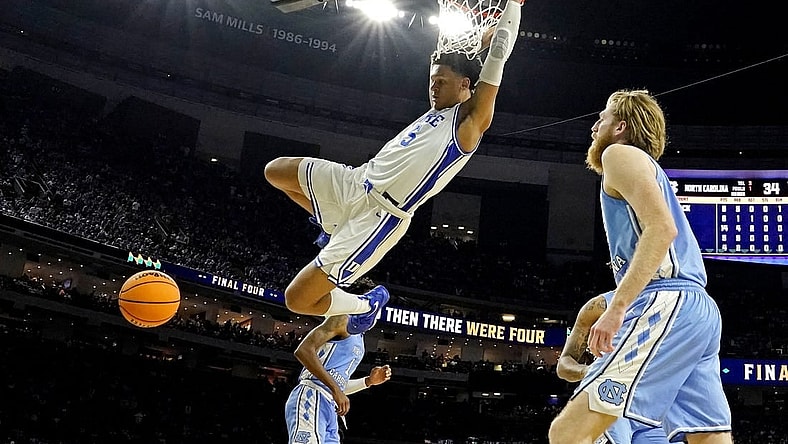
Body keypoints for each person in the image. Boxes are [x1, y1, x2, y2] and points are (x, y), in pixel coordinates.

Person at [264, 0, 525, 334]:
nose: (433, 87)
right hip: (355, 181)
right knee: (275, 170)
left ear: (465, 85)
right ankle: (330, 223)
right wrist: (476, 40)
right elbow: (457, 53)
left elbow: (500, 53)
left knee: (297, 299)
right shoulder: (435, 110)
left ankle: (364, 305)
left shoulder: (470, 124)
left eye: (441, 82)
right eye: (432, 81)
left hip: (381, 216)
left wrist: (513, 8)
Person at [548, 89, 733, 444]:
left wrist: (618, 308)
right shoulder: (642, 169)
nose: (594, 125)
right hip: (699, 313)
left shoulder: (619, 154)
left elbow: (662, 228)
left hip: (667, 299)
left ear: (620, 127)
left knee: (567, 433)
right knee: (708, 438)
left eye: (601, 117)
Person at [557, 291, 669, 444]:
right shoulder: (599, 306)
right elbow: (564, 364)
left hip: (652, 406)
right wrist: (590, 372)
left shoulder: (676, 303)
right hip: (611, 398)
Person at [285, 313, 392, 444]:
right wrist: (336, 390)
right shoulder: (343, 320)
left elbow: (339, 386)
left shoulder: (360, 341)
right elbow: (303, 351)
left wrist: (368, 381)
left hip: (330, 405)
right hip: (312, 394)